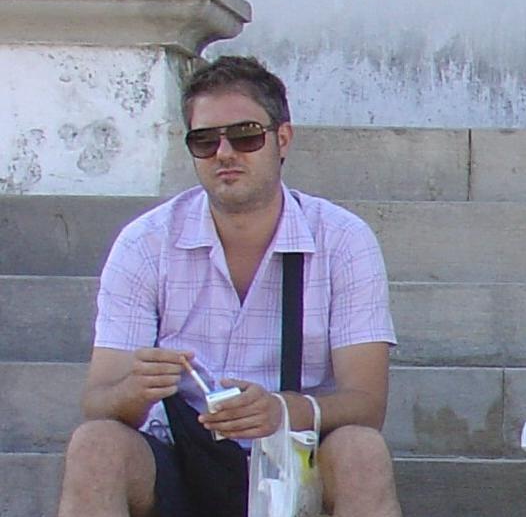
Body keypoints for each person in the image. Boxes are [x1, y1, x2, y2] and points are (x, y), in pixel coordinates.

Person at [56, 56, 402, 517]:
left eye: (245, 135)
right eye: (204, 140)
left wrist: (283, 411)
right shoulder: (146, 243)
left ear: (282, 139)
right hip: (178, 454)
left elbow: (366, 404)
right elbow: (98, 402)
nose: (224, 153)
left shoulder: (342, 240)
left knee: (361, 449)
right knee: (95, 445)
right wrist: (134, 391)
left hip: (297, 455)